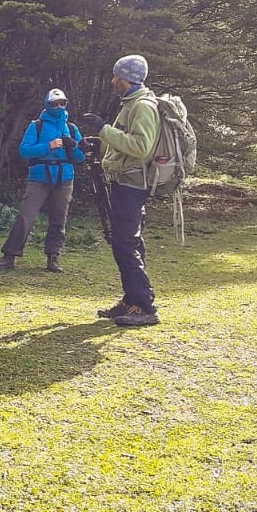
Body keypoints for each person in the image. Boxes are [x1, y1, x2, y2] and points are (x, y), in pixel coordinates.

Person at [80, 55, 161, 328]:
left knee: (125, 243)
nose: (112, 80)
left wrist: (103, 129)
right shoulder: (131, 104)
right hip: (124, 181)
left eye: (116, 76)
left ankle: (146, 306)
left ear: (127, 78)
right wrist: (98, 141)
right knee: (126, 241)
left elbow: (140, 148)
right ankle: (131, 301)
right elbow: (123, 144)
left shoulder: (143, 106)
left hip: (132, 183)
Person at [0, 88, 85, 273]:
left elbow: (81, 157)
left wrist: (73, 146)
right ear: (47, 105)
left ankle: (53, 258)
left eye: (62, 103)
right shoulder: (37, 126)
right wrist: (48, 146)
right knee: (26, 216)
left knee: (59, 220)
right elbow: (24, 150)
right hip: (39, 178)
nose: (59, 106)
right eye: (55, 103)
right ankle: (9, 256)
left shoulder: (72, 128)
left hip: (64, 178)